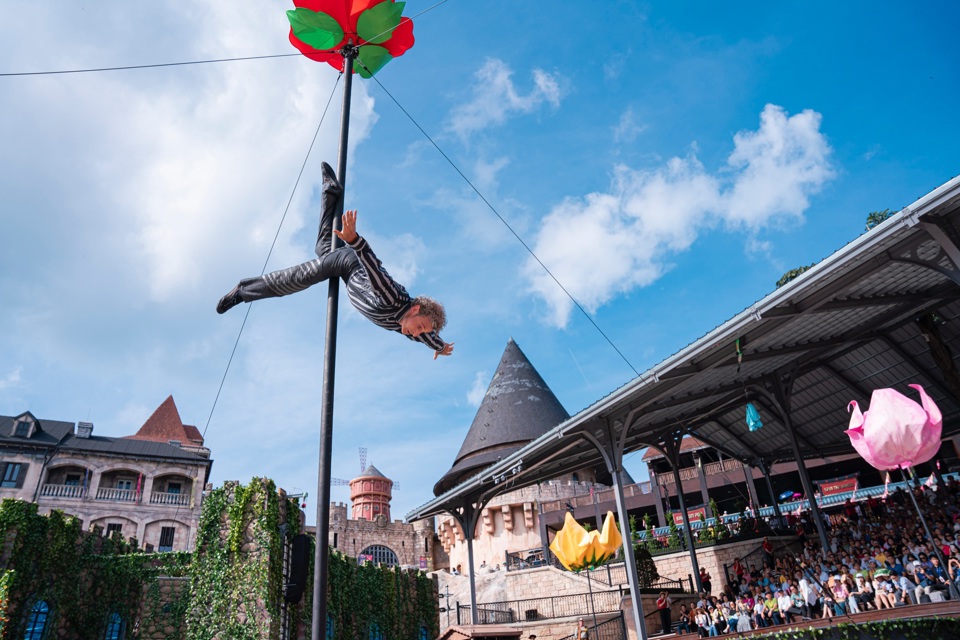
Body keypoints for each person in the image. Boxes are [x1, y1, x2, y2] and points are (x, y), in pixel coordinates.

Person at [217, 162, 454, 359]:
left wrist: (440, 348)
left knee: (322, 247)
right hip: (348, 263)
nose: (416, 334)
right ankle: (244, 290)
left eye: (421, 332)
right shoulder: (393, 297)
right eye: (419, 327)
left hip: (347, 274)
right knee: (304, 276)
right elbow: (374, 267)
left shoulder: (411, 328)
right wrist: (354, 239)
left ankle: (329, 190)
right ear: (414, 309)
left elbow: (429, 337)